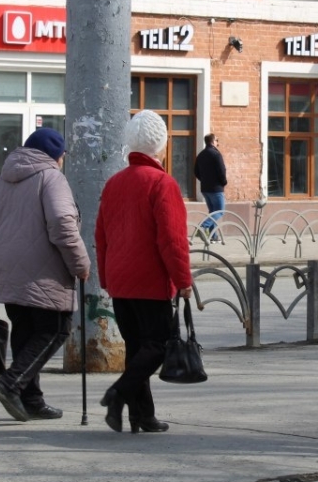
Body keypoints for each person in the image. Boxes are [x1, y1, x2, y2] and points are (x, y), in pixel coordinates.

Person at [0, 126, 90, 422]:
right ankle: (10, 384)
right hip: (41, 271)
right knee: (55, 329)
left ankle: (32, 400)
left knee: (25, 331)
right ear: (56, 156)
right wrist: (81, 264)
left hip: (2, 268)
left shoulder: (2, 180)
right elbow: (63, 226)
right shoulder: (52, 178)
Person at [96, 110, 194, 434]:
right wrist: (183, 280)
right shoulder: (162, 183)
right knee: (159, 345)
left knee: (137, 348)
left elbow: (101, 236)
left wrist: (106, 278)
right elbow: (171, 239)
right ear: (161, 147)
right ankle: (118, 394)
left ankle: (142, 415)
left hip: (121, 283)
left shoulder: (113, 183)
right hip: (150, 281)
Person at [194, 133, 227, 242]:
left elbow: (196, 172)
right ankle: (203, 226)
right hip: (216, 188)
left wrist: (204, 180)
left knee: (213, 211)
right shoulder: (216, 154)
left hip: (205, 189)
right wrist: (223, 182)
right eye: (217, 140)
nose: (218, 143)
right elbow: (222, 170)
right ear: (213, 142)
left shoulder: (201, 155)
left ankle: (213, 236)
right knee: (220, 211)